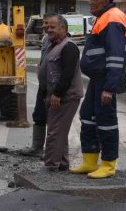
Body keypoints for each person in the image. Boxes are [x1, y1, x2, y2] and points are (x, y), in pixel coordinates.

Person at [71, 0, 126, 179]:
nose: (90, 2)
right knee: (87, 116)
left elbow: (116, 56)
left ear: (106, 0)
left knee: (106, 122)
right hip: (97, 79)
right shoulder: (103, 17)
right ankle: (89, 161)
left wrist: (109, 88)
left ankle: (108, 164)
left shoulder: (113, 18)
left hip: (105, 80)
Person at [39, 15, 83, 170]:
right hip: (55, 95)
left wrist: (57, 94)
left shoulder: (69, 47)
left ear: (63, 28)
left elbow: (67, 73)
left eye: (52, 27)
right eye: (47, 27)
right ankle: (63, 164)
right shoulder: (52, 44)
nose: (48, 29)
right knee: (59, 130)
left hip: (66, 96)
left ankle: (50, 165)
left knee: (54, 132)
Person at [19, 13, 56, 157]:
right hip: (43, 85)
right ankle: (37, 147)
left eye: (49, 24)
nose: (45, 27)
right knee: (39, 115)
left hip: (53, 86)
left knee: (53, 119)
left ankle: (52, 151)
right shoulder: (46, 39)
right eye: (45, 23)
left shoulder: (61, 41)